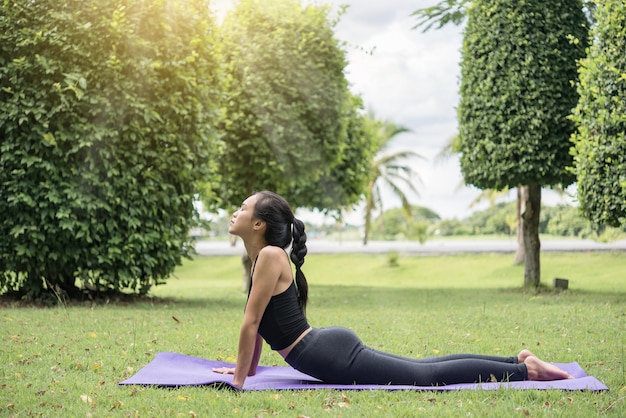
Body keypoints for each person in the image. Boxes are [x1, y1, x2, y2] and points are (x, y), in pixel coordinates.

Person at [212, 190, 573, 388]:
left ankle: (528, 372)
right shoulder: (268, 256)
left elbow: (250, 323)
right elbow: (256, 325)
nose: (236, 212)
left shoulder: (271, 255)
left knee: (426, 378)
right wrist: (248, 370)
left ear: (258, 223)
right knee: (423, 367)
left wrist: (240, 381)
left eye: (242, 208)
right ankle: (519, 361)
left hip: (328, 354)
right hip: (326, 348)